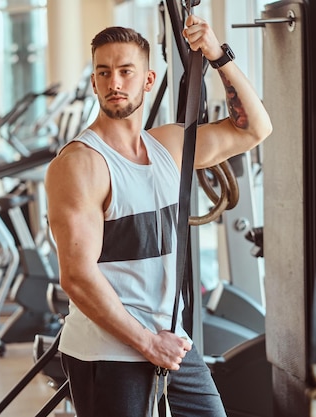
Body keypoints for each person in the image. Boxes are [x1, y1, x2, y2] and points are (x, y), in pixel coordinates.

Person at [44, 13, 272, 417]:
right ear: (94, 81)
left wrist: (218, 55)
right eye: (104, 72)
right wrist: (148, 344)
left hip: (169, 340)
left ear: (148, 80)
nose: (115, 83)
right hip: (109, 350)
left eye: (126, 71)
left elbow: (255, 128)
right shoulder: (81, 164)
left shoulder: (169, 145)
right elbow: (76, 275)